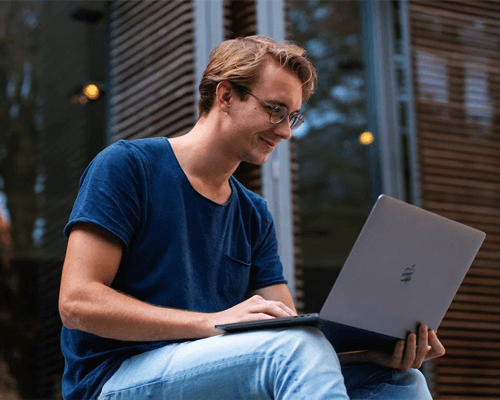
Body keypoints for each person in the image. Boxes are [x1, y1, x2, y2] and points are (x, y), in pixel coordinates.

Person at [58, 35, 445, 400]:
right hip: (114, 379)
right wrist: (211, 322)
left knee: (399, 381)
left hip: (213, 372)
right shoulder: (128, 167)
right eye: (275, 110)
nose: (285, 132)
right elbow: (77, 303)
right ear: (226, 95)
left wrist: (368, 354)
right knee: (295, 346)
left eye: (293, 117)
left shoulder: (253, 213)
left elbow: (291, 336)